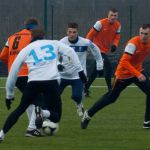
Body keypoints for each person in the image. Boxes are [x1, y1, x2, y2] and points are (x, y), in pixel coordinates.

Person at [0, 27, 85, 142]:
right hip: (51, 82)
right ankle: (42, 112)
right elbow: (70, 51)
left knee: (20, 109)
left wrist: (9, 95)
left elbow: (13, 72)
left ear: (31, 37)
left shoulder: (27, 49)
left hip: (33, 83)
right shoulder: (54, 43)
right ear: (43, 36)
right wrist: (80, 70)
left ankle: (2, 134)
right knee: (56, 116)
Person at [81, 24, 150, 129]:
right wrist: (138, 74)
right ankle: (88, 114)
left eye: (146, 34)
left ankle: (147, 122)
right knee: (111, 98)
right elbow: (124, 62)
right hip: (123, 74)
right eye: (141, 33)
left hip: (138, 71)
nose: (143, 36)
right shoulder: (133, 44)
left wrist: (138, 73)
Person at [0, 17, 41, 136]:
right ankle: (32, 128)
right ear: (35, 27)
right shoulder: (33, 37)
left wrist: (13, 60)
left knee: (29, 99)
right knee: (40, 100)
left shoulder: (11, 37)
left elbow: (2, 56)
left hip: (14, 75)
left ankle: (32, 126)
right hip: (28, 73)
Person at [59, 22, 103, 117]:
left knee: (76, 96)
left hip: (78, 75)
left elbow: (97, 51)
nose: (71, 34)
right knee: (53, 96)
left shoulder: (85, 42)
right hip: (62, 75)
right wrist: (58, 64)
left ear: (77, 32)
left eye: (74, 32)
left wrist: (100, 66)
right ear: (67, 32)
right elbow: (55, 55)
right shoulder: (61, 42)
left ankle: (79, 104)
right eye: (70, 32)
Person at [85, 8, 121, 96]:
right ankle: (110, 90)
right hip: (96, 49)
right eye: (111, 15)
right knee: (108, 66)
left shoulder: (118, 25)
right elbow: (90, 34)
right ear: (108, 15)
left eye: (115, 15)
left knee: (96, 71)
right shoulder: (100, 23)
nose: (113, 17)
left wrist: (115, 45)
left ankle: (85, 88)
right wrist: (86, 45)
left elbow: (117, 37)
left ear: (117, 16)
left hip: (104, 50)